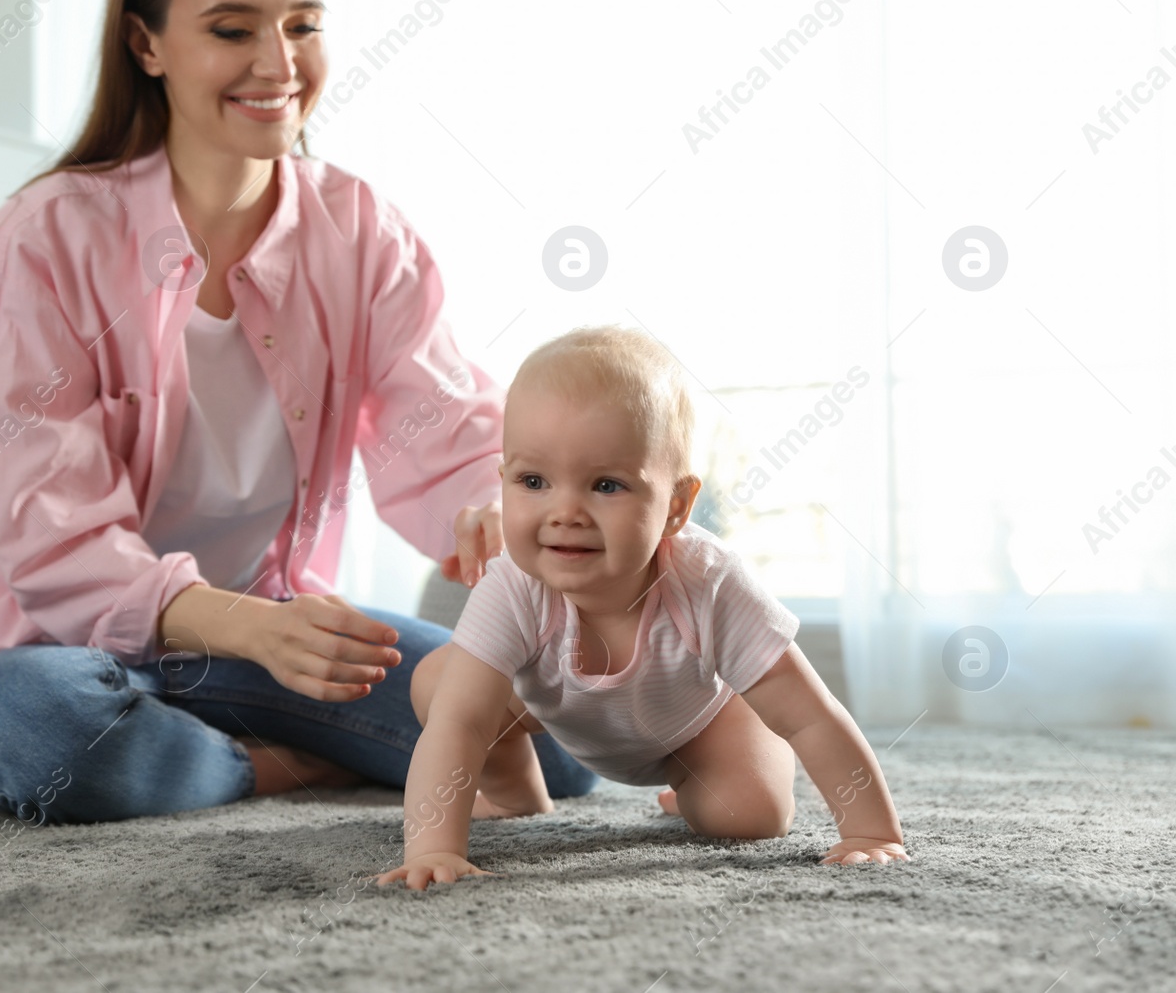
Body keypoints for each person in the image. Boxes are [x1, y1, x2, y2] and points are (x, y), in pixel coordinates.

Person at [0, 0, 597, 822]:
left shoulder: (362, 230)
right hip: (53, 644)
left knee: (555, 734)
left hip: (265, 634)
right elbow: (54, 533)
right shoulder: (44, 236)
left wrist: (484, 506)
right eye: (233, 30)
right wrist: (249, 630)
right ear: (145, 43)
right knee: (37, 734)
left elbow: (444, 420)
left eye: (303, 25)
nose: (279, 63)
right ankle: (288, 765)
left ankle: (214, 753)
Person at [377, 326, 909, 890]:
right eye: (534, 481)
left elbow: (808, 713)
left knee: (750, 817)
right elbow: (461, 721)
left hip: (695, 722)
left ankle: (691, 784)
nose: (566, 512)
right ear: (503, 480)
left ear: (676, 507)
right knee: (442, 685)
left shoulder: (709, 583)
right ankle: (516, 794)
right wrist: (433, 849)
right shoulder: (514, 585)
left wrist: (870, 834)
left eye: (606, 485)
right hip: (559, 710)